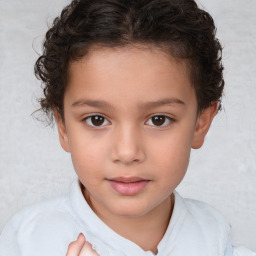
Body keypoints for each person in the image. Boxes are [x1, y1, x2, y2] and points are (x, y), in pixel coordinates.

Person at [0, 0, 255, 255]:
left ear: (201, 122)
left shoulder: (215, 236)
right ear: (63, 126)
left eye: (158, 119)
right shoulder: (28, 240)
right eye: (97, 120)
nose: (127, 152)